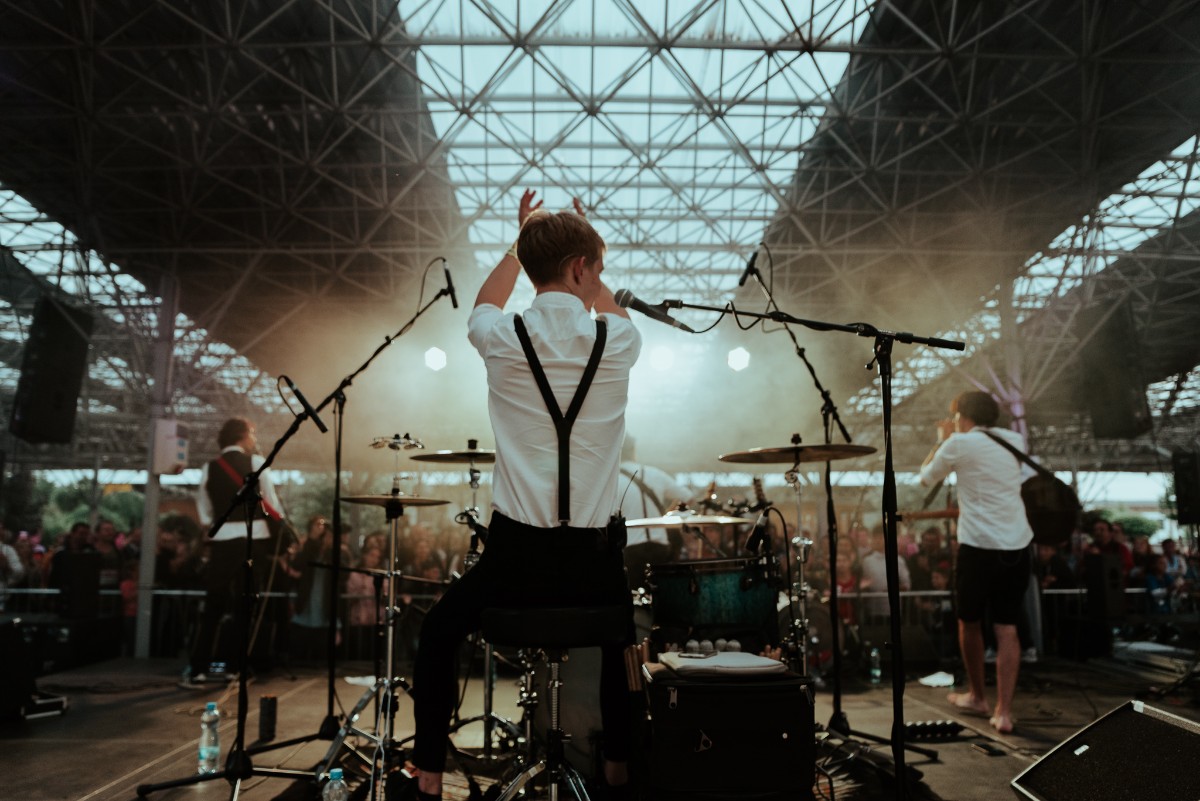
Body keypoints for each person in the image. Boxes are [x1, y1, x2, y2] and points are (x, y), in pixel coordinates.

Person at [408, 190, 640, 801]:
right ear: (582, 268)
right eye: (594, 268)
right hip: (594, 567)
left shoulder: (501, 336)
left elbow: (485, 302)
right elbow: (608, 306)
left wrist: (523, 243)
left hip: (514, 566)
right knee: (624, 643)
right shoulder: (620, 341)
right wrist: (578, 240)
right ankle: (618, 773)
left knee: (437, 633)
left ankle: (427, 774)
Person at [919, 391, 1033, 735]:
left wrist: (942, 440)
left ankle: (978, 697)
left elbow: (926, 477)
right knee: (1007, 627)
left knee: (969, 622)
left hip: (978, 546)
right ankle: (1004, 713)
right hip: (1017, 544)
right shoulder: (1015, 440)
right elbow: (1025, 479)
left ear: (962, 416)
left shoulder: (959, 443)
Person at [180, 417, 286, 688]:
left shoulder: (209, 467)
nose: (254, 439)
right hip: (254, 538)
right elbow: (271, 502)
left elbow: (203, 504)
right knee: (244, 607)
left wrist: (212, 522)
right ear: (242, 435)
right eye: (252, 433)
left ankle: (198, 670)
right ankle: (235, 669)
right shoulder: (256, 463)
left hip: (223, 539)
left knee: (213, 605)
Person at [619, 435, 692, 589]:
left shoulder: (612, 479)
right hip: (660, 546)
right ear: (633, 450)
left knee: (634, 594)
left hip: (631, 547)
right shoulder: (654, 473)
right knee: (662, 593)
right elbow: (688, 497)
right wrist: (667, 513)